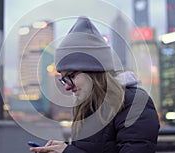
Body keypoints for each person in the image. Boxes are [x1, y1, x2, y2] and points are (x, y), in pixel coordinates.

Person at [30, 16, 160, 153]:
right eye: (63, 79)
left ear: (93, 71)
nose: (67, 86)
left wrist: (68, 152)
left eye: (70, 76)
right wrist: (64, 149)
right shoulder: (88, 105)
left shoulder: (135, 103)